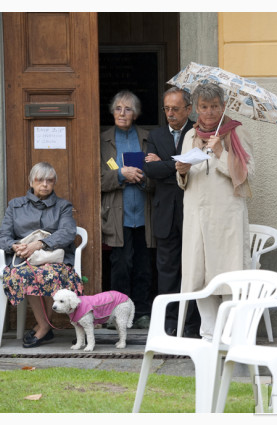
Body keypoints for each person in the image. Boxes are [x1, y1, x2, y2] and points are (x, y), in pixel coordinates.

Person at [175, 83, 254, 340]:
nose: (209, 112)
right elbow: (184, 178)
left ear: (223, 107)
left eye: (215, 106)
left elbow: (248, 173)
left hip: (227, 218)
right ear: (196, 109)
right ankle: (209, 335)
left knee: (228, 275)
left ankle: (231, 335)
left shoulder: (235, 133)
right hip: (197, 217)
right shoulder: (190, 136)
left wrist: (221, 153)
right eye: (204, 107)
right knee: (200, 276)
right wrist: (182, 172)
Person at [0, 162, 84, 348]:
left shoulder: (63, 206)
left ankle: (42, 328)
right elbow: (2, 237)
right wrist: (15, 245)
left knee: (49, 273)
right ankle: (44, 326)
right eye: (40, 180)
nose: (45, 184)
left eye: (49, 180)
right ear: (31, 181)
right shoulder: (15, 205)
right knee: (26, 274)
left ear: (54, 183)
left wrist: (39, 244)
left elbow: (68, 232)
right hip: (23, 259)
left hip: (54, 258)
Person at [143, 87, 201, 337]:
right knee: (167, 269)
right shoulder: (155, 135)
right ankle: (169, 322)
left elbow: (198, 166)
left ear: (188, 109)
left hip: (192, 211)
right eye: (167, 109)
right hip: (165, 212)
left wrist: (164, 164)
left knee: (194, 268)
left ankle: (192, 323)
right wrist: (177, 165)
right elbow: (151, 172)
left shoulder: (198, 132)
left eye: (176, 109)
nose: (170, 113)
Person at [100, 90, 154, 329]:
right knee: (121, 266)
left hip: (143, 214)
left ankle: (142, 313)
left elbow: (161, 175)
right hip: (116, 215)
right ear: (112, 111)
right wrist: (120, 175)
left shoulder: (148, 138)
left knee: (143, 266)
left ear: (136, 113)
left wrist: (142, 178)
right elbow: (95, 180)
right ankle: (116, 315)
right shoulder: (101, 140)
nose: (122, 113)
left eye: (128, 109)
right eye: (118, 108)